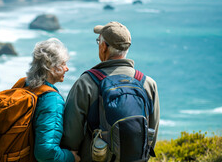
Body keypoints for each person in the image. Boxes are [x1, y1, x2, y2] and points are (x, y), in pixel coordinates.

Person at [61, 21, 160, 161]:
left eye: (98, 41)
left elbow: (71, 137)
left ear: (103, 47)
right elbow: (152, 135)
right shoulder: (148, 83)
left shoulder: (87, 83)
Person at [26, 38, 80, 162]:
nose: (67, 69)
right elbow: (45, 152)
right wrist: (71, 157)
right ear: (51, 66)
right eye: (63, 64)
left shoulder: (25, 85)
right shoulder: (52, 101)